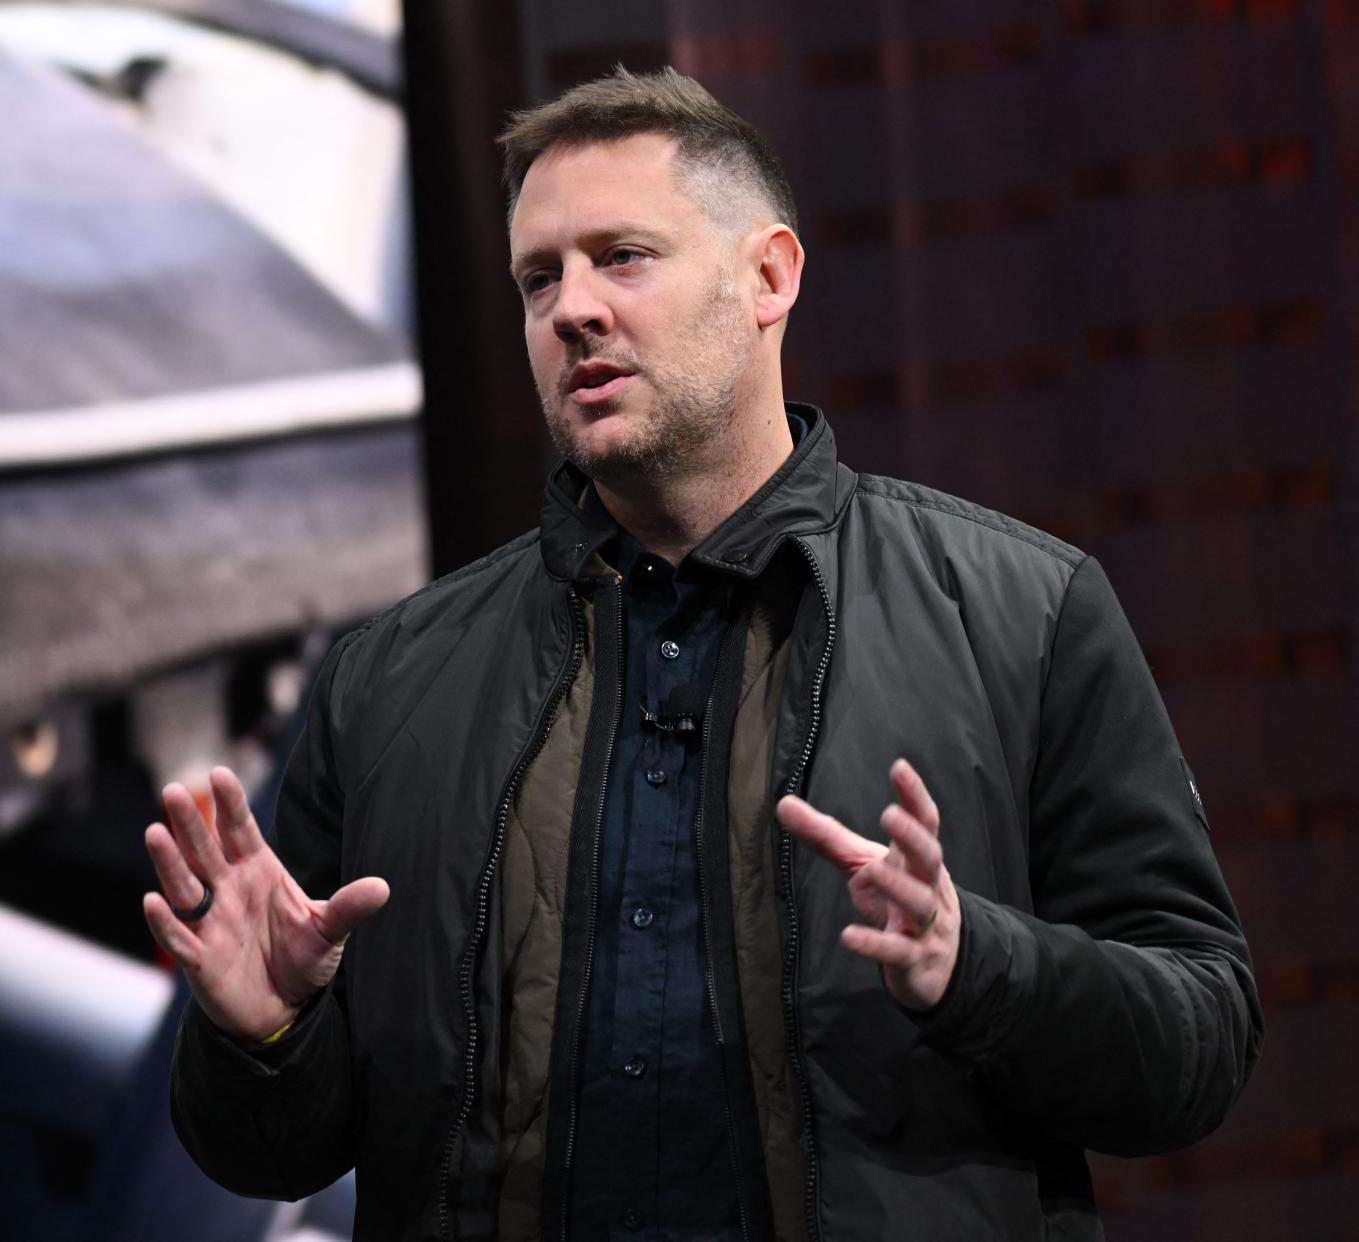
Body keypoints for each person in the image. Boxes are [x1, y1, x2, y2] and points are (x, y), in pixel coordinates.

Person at [141, 67, 1261, 1241]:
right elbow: (271, 1156)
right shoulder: (391, 684)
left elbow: (1201, 1042)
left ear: (768, 276)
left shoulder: (1024, 613)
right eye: (539, 278)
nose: (571, 308)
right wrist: (263, 1033)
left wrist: (979, 961)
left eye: (623, 257)